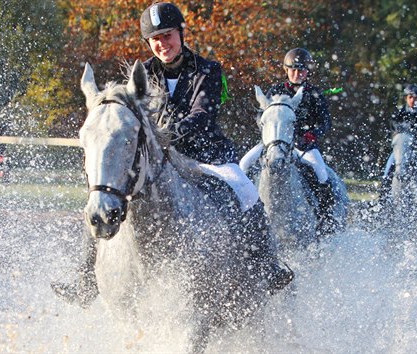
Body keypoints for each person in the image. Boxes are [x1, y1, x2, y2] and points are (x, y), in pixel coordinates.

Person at [52, 2, 293, 307]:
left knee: (245, 192)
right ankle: (85, 277)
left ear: (181, 33)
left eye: (168, 36)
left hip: (207, 157)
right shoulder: (144, 74)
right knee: (104, 198)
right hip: (159, 159)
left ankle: (266, 265)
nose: (162, 44)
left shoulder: (208, 69)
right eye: (156, 39)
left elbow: (202, 115)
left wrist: (166, 134)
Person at [242, 48, 338, 234]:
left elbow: (325, 122)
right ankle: (245, 214)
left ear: (307, 71)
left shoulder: (315, 94)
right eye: (293, 69)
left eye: (301, 70)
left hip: (303, 145)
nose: (297, 74)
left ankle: (326, 217)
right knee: (244, 164)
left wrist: (312, 134)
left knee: (320, 172)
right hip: (274, 143)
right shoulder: (275, 91)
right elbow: (261, 116)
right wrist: (267, 132)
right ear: (286, 70)